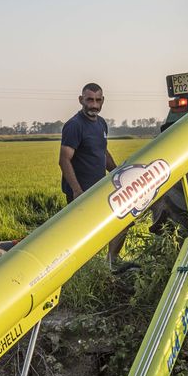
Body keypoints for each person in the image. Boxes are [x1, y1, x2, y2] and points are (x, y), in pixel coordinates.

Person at [59, 82, 129, 267]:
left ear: (103, 100)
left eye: (98, 100)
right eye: (89, 100)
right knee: (83, 236)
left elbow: (102, 152)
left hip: (100, 189)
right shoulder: (74, 125)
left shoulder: (101, 124)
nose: (94, 105)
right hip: (81, 192)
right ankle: (80, 269)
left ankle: (111, 262)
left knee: (123, 220)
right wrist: (76, 191)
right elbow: (64, 159)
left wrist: (118, 173)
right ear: (81, 100)